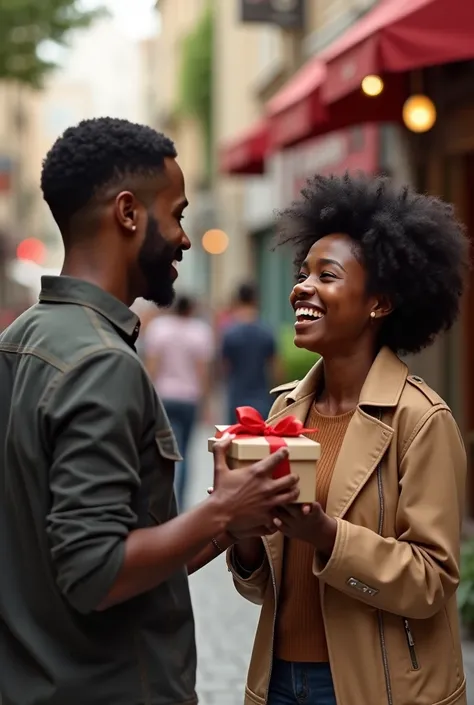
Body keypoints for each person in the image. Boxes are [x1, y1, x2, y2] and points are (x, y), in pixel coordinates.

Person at [0, 117, 300, 705]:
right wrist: (219, 508)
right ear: (130, 213)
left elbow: (88, 556)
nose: (186, 239)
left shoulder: (20, 341)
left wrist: (228, 523)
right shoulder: (100, 362)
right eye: (179, 214)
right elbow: (95, 572)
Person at [227, 173, 469, 705]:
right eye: (303, 272)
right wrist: (244, 531)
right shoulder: (285, 410)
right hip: (277, 682)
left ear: (378, 303)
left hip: (376, 688)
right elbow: (261, 586)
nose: (301, 288)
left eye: (327, 275)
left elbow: (434, 579)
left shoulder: (422, 420)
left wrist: (327, 535)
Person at [144, 293, 214, 509]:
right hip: (189, 399)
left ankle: (161, 501)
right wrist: (206, 403)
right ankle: (179, 504)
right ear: (191, 309)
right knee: (184, 452)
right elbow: (202, 372)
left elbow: (152, 367)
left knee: (161, 451)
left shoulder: (159, 329)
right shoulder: (200, 332)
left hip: (163, 397)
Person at [221, 281, 279, 424]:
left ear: (238, 300)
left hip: (237, 398)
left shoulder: (230, 333)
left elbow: (224, 368)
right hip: (262, 398)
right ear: (256, 300)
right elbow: (276, 369)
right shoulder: (267, 331)